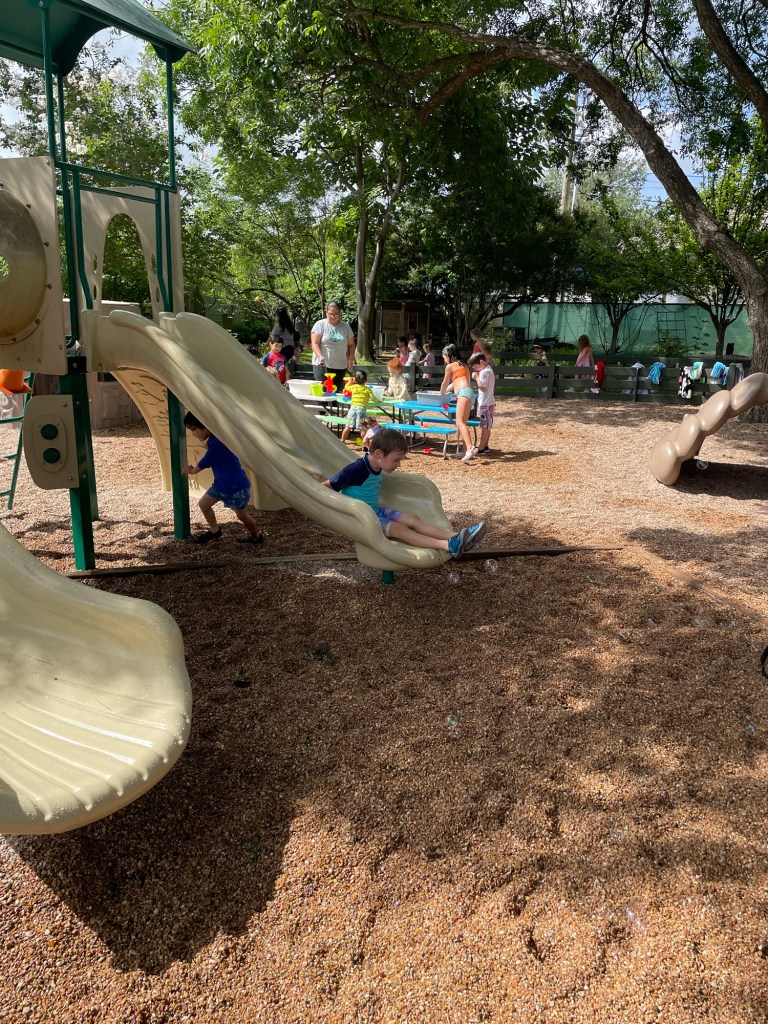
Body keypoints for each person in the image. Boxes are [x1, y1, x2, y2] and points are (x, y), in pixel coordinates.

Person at [317, 428, 487, 557]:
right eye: (396, 460)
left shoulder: (376, 465)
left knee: (413, 519)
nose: (398, 464)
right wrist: (313, 486)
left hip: (376, 511)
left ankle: (459, 537)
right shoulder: (356, 469)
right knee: (400, 529)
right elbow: (331, 485)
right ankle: (448, 546)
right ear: (379, 454)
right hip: (363, 519)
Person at [181, 411, 263, 545]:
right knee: (203, 504)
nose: (193, 434)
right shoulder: (215, 439)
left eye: (194, 429)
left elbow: (205, 462)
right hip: (220, 485)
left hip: (236, 487)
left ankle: (257, 536)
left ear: (205, 425)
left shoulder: (218, 444)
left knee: (242, 515)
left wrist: (190, 471)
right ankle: (215, 531)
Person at [440, 344, 476, 463]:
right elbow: (455, 382)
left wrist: (441, 392)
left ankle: (470, 448)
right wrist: (446, 390)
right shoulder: (464, 366)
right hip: (470, 394)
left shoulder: (450, 366)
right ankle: (465, 451)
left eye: (444, 357)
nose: (444, 360)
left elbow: (445, 383)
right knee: (463, 423)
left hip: (463, 394)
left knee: (459, 422)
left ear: (449, 355)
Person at [310, 302, 356, 392]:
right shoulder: (320, 324)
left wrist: (351, 359)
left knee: (335, 392)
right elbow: (314, 343)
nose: (333, 316)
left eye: (336, 314)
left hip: (340, 365)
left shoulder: (345, 326)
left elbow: (351, 344)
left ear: (340, 313)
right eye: (331, 314)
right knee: (323, 391)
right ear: (326, 312)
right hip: (322, 365)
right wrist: (320, 356)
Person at [468, 351, 496, 455]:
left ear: (481, 362)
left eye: (475, 366)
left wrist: (476, 377)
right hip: (490, 402)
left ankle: (481, 448)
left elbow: (483, 387)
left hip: (485, 403)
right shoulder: (489, 370)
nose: (475, 369)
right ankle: (485, 445)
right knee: (487, 426)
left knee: (484, 426)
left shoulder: (484, 372)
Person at [341, 369, 376, 443]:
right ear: (366, 380)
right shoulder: (367, 389)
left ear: (355, 380)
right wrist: (379, 401)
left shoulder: (353, 387)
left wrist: (350, 381)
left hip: (353, 408)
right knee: (362, 428)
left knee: (348, 426)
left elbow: (346, 387)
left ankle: (342, 440)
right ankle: (366, 445)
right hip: (361, 409)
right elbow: (373, 398)